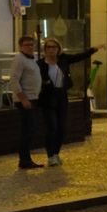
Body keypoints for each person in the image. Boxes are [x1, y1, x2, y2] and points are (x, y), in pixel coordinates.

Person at [12, 35, 44, 169]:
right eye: (27, 45)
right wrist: (23, 98)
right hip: (26, 100)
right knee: (27, 130)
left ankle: (26, 159)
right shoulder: (19, 59)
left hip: (33, 98)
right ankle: (24, 160)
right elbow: (14, 79)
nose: (30, 47)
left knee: (31, 129)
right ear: (20, 47)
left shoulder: (32, 58)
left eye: (32, 44)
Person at [38, 38, 71, 166]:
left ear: (58, 49)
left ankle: (56, 153)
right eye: (49, 47)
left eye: (54, 47)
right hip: (47, 98)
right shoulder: (40, 64)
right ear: (45, 49)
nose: (51, 49)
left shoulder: (62, 61)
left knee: (61, 127)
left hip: (61, 97)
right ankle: (51, 155)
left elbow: (79, 56)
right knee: (52, 127)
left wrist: (94, 49)